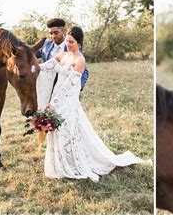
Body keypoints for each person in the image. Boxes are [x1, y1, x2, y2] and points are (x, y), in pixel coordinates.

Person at [36, 26, 150, 182]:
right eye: (68, 41)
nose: (68, 44)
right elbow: (46, 66)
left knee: (67, 129)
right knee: (56, 131)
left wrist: (54, 104)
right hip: (56, 97)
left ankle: (75, 163)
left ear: (79, 43)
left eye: (72, 42)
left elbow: (69, 85)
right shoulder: (62, 55)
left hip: (67, 100)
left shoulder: (79, 60)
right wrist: (33, 67)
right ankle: (59, 163)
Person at [36, 18, 89, 90]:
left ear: (63, 30)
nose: (53, 36)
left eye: (56, 33)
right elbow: (30, 55)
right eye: (51, 33)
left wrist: (77, 88)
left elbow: (84, 70)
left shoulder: (72, 47)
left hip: (67, 89)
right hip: (48, 87)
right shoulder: (45, 45)